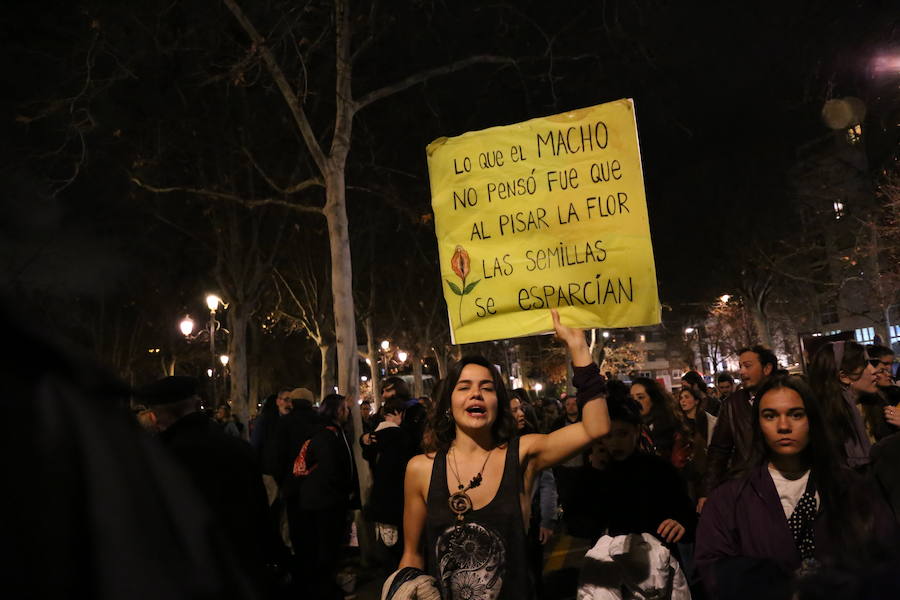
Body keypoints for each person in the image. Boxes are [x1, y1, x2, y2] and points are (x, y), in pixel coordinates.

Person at [398, 310, 611, 600]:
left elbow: (596, 428)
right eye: (464, 387)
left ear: (499, 404)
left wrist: (579, 349)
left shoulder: (523, 454)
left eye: (487, 388)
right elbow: (412, 556)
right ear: (449, 403)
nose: (476, 394)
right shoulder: (420, 469)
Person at [695, 374, 898, 599]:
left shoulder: (853, 488)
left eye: (796, 415)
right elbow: (714, 570)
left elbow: (886, 559)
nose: (783, 426)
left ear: (812, 420)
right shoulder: (730, 499)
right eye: (770, 416)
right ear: (758, 424)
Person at [137, 376, 273, 595]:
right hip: (241, 566)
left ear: (155, 417)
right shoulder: (237, 448)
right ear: (197, 403)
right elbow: (260, 510)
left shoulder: (155, 459)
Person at [566, 397, 696, 548]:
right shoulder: (593, 473)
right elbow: (577, 525)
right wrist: (594, 472)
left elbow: (688, 519)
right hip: (609, 564)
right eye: (608, 436)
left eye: (623, 434)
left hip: (655, 561)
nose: (615, 442)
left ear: (637, 430)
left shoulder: (659, 470)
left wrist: (680, 525)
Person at [291, 393, 358, 600]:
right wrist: (344, 493)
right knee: (325, 548)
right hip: (326, 503)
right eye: (345, 408)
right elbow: (332, 471)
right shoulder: (328, 436)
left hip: (323, 500)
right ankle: (324, 590)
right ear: (338, 411)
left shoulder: (330, 433)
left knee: (326, 547)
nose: (348, 412)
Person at [699, 345, 776, 511]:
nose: (741, 372)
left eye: (747, 366)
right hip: (749, 488)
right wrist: (707, 491)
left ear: (767, 368)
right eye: (740, 366)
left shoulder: (787, 397)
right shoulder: (732, 405)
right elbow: (719, 450)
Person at [511, 394, 559, 600]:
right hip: (505, 528)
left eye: (521, 408)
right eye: (514, 410)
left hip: (529, 524)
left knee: (533, 578)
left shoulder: (532, 441)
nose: (521, 413)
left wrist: (547, 519)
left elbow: (547, 482)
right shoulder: (491, 446)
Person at [362, 397, 416, 568]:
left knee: (386, 540)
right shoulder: (402, 437)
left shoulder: (372, 437)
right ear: (397, 414)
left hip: (379, 495)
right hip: (397, 495)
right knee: (400, 544)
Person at [808, 341, 876, 470]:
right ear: (844, 376)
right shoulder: (822, 422)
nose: (874, 370)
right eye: (865, 364)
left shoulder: (879, 405)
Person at [677, 386, 714, 500]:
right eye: (681, 398)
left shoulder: (708, 421)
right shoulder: (678, 423)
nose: (683, 400)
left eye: (686, 397)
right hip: (686, 473)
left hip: (704, 471)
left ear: (696, 401)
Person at [629, 377, 679, 460]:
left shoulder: (669, 424)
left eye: (640, 397)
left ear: (653, 398)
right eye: (632, 398)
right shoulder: (632, 426)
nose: (635, 402)